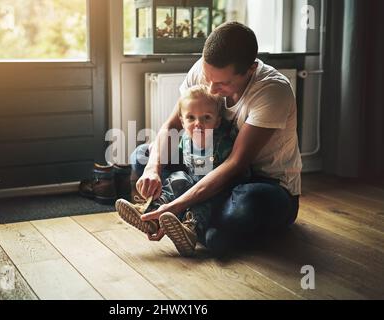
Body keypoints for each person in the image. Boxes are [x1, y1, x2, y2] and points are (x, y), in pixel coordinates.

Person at [132, 21, 302, 256]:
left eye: (222, 83)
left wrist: (178, 204)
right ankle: (195, 222)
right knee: (142, 156)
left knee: (245, 205)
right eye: (208, 77)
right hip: (206, 167)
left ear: (250, 70)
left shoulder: (273, 90)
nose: (211, 88)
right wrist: (152, 168)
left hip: (261, 184)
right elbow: (171, 125)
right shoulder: (204, 70)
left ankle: (183, 216)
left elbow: (235, 164)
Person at [116, 85, 242, 256]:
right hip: (193, 184)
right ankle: (152, 215)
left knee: (205, 202)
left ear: (217, 121)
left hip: (216, 190)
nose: (198, 124)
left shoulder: (223, 143)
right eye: (191, 118)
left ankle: (190, 229)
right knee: (177, 178)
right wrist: (156, 155)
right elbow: (179, 160)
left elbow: (235, 173)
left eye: (206, 117)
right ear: (182, 121)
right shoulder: (185, 139)